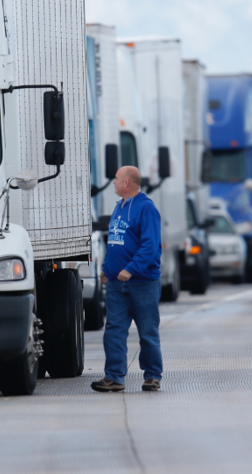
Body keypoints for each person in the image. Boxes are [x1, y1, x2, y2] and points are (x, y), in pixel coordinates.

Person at [91, 166, 163, 393]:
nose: (113, 182)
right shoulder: (118, 208)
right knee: (113, 331)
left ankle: (152, 376)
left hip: (142, 283)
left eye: (117, 178)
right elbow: (115, 242)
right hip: (116, 284)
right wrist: (106, 269)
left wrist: (131, 269)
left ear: (127, 183)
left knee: (147, 332)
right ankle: (114, 377)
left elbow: (150, 245)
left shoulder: (146, 208)